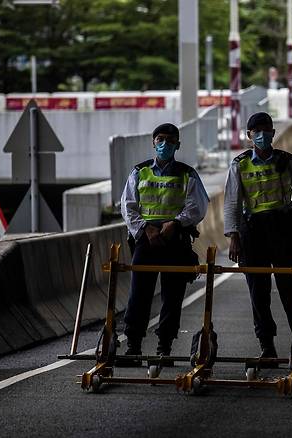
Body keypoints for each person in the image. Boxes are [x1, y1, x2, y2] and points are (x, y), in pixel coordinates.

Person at [224, 111, 292, 360]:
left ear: (273, 133)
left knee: (290, 288)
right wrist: (233, 236)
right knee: (258, 291)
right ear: (249, 135)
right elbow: (232, 202)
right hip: (252, 233)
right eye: (257, 131)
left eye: (266, 130)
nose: (262, 135)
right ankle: (267, 345)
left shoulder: (287, 161)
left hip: (282, 229)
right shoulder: (239, 164)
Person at [119, 122, 209, 366]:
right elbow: (128, 206)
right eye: (160, 139)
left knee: (172, 297)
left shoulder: (188, 174)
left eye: (170, 141)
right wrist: (144, 228)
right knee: (139, 295)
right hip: (145, 242)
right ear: (153, 142)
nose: (164, 144)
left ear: (177, 145)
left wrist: (177, 223)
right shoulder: (139, 172)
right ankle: (133, 347)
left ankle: (164, 349)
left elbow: (198, 206)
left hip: (175, 242)